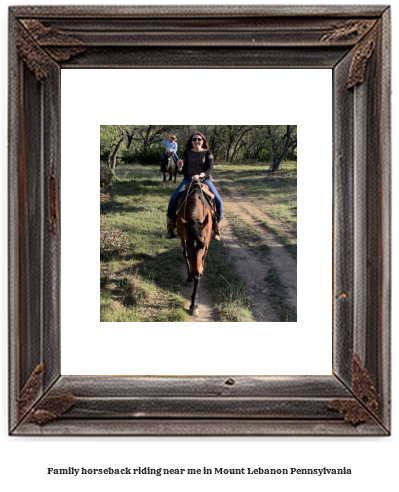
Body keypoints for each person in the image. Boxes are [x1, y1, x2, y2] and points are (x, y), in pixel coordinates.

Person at [166, 131, 223, 240]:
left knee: (219, 201)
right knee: (173, 198)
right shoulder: (187, 153)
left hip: (204, 180)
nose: (197, 141)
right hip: (188, 179)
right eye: (194, 139)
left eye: (199, 139)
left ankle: (217, 228)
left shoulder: (208, 153)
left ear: (203, 141)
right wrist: (179, 167)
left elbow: (209, 169)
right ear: (191, 142)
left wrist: (200, 175)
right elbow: (182, 171)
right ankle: (171, 227)